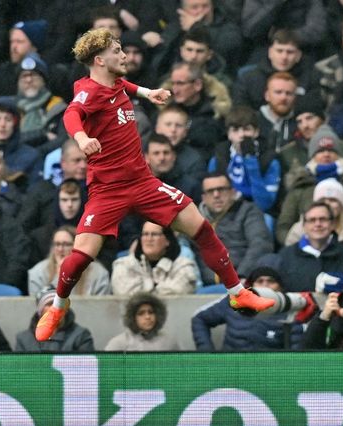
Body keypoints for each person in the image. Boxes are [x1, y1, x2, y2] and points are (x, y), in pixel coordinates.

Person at [36, 28, 276, 342]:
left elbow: (126, 86)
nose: (124, 56)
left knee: (201, 227)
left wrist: (149, 93)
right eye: (117, 51)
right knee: (81, 256)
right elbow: (72, 113)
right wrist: (82, 137)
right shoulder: (89, 92)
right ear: (99, 59)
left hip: (144, 183)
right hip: (108, 191)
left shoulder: (116, 83)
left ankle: (237, 291)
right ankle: (57, 306)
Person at [277, 125, 343, 244]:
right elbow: (284, 226)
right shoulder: (300, 183)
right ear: (312, 155)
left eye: (331, 150)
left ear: (339, 154)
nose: (326, 154)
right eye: (320, 151)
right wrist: (300, 246)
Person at [192, 264, 306, 351]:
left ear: (280, 288)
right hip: (230, 369)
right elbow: (199, 318)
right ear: (251, 286)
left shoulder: (291, 310)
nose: (265, 285)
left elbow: (296, 354)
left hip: (269, 373)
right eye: (260, 281)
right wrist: (206, 352)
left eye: (271, 281)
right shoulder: (234, 301)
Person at [197, 173, 274, 285]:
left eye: (221, 189)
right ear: (203, 198)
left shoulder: (248, 211)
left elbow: (260, 244)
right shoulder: (196, 220)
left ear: (233, 192)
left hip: (242, 281)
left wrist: (241, 276)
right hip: (204, 285)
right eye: (210, 191)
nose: (216, 195)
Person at [207, 105, 281, 213]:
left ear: (256, 132)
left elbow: (265, 205)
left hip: (258, 212)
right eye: (235, 130)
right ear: (228, 134)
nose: (241, 135)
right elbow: (211, 197)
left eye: (247, 129)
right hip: (226, 211)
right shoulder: (218, 159)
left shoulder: (270, 160)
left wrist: (251, 163)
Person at [278, 201, 343, 292]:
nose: (317, 224)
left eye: (323, 219)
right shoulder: (286, 256)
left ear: (333, 224)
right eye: (312, 220)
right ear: (304, 226)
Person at [284, 178, 343, 266]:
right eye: (322, 200)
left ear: (342, 204)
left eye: (333, 200)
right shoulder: (297, 231)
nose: (327, 204)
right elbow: (289, 263)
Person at [111, 221, 197, 296]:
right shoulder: (123, 265)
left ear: (167, 240)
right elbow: (123, 293)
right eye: (145, 234)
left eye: (154, 234)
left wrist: (144, 288)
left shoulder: (183, 265)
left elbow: (179, 293)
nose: (149, 239)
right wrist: (155, 286)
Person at [28, 225, 109, 297]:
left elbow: (100, 308)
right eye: (57, 244)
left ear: (77, 246)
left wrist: (70, 273)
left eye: (66, 244)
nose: (60, 249)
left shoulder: (99, 273)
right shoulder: (38, 272)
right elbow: (38, 308)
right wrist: (61, 277)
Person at [14, 287, 94, 352]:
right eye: (49, 304)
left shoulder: (81, 335)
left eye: (59, 304)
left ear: (65, 308)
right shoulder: (23, 339)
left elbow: (88, 368)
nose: (55, 308)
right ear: (40, 311)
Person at [104, 291, 180, 351]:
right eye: (141, 313)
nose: (148, 317)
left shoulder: (169, 342)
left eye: (151, 312)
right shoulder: (119, 344)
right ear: (132, 317)